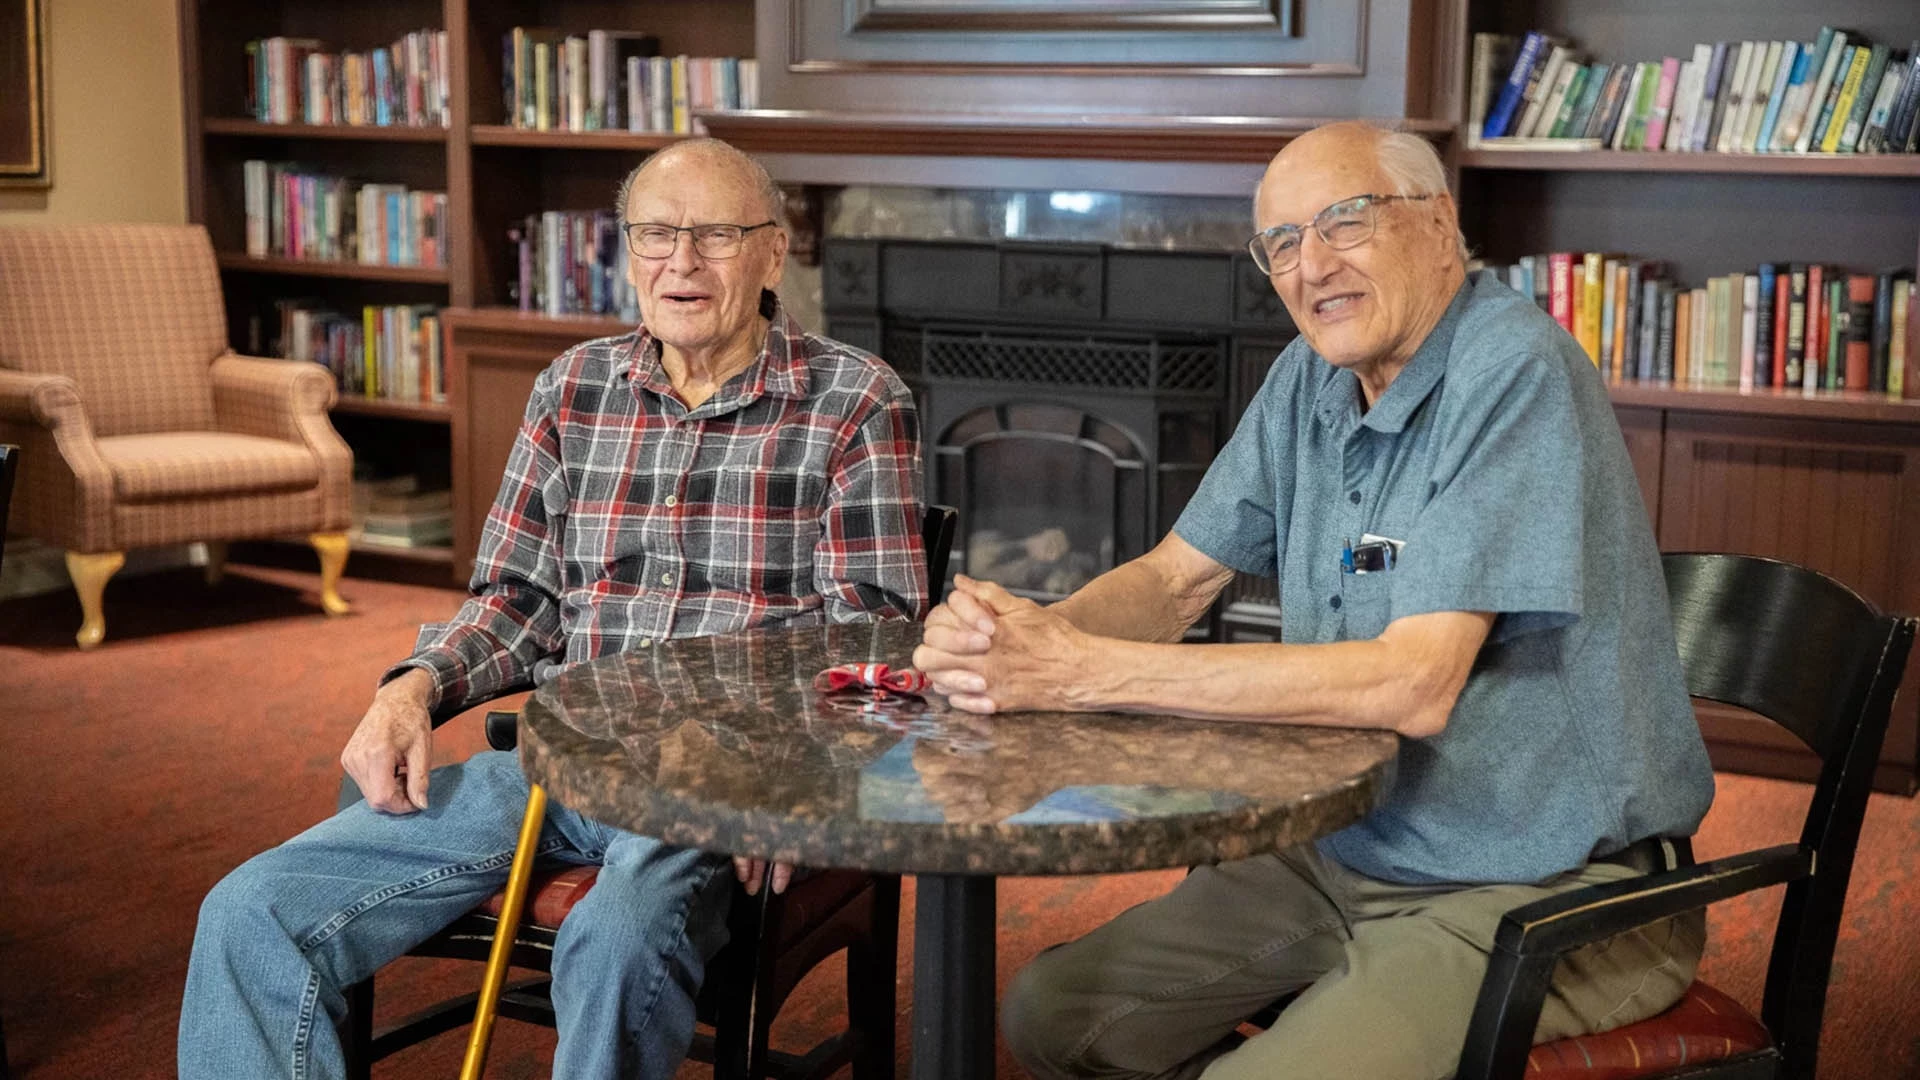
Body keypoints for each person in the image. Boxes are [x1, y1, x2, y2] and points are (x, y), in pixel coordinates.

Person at [912, 120, 1716, 1080]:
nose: (1312, 265)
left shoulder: (1514, 371)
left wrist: (1080, 673)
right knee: (1054, 1016)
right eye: (1283, 243)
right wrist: (1018, 641)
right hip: (1343, 848)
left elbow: (1414, 685)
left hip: (1546, 888)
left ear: (1438, 222)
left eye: (1345, 221)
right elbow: (1174, 579)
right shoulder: (1310, 377)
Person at [179, 139, 928, 1080]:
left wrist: (794, 781)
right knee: (249, 911)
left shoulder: (855, 399)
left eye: (717, 235)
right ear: (627, 248)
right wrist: (411, 688)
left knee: (612, 941)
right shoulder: (572, 388)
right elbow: (516, 599)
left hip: (716, 786)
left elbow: (870, 644)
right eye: (656, 233)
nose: (683, 261)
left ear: (773, 253)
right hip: (555, 762)